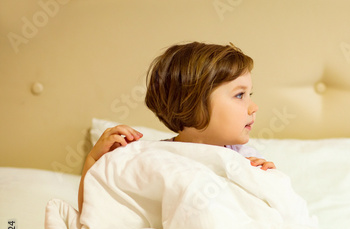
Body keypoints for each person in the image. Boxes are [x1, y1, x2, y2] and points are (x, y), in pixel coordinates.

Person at [78, 42, 275, 212]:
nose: (254, 107)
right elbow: (98, 212)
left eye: (250, 95)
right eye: (240, 95)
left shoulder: (244, 159)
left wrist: (267, 180)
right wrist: (94, 161)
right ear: (194, 104)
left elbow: (270, 213)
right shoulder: (152, 158)